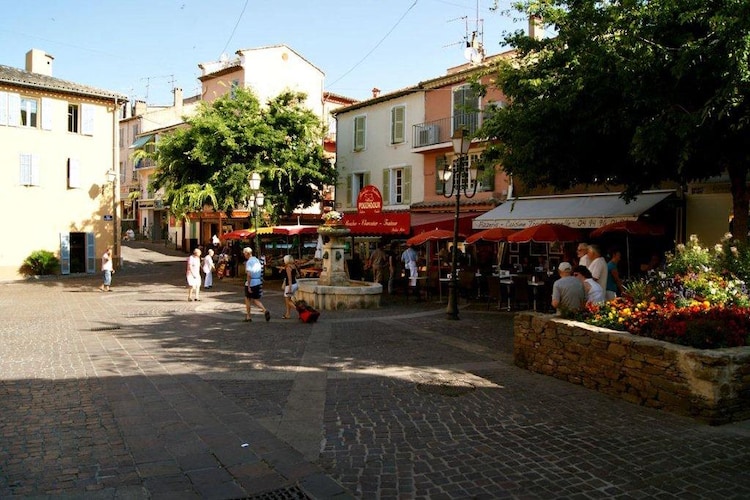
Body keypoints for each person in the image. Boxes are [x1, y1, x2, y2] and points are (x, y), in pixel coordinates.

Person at [243, 247, 270, 322]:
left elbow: (249, 274)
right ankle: (264, 310)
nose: (244, 255)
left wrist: (248, 286)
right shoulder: (257, 260)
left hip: (251, 282)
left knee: (247, 299)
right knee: (256, 300)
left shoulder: (249, 262)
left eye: (244, 253)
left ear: (247, 253)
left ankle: (248, 316)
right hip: (258, 281)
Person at [281, 254, 299, 319]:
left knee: (287, 301)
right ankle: (287, 314)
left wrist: (290, 288)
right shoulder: (294, 266)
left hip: (289, 285)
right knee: (289, 300)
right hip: (295, 284)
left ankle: (299, 310)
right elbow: (297, 275)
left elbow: (289, 279)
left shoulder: (288, 267)